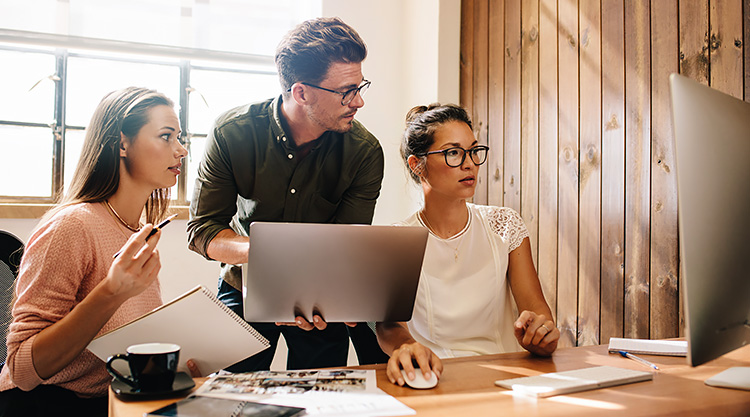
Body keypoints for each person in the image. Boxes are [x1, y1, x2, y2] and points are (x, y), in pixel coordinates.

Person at [186, 17, 387, 372]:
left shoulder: (365, 152)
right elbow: (202, 231)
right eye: (346, 91)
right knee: (230, 394)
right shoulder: (232, 134)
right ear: (301, 92)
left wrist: (302, 288)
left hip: (322, 297)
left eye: (360, 86)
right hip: (243, 282)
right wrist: (268, 258)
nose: (359, 102)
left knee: (322, 397)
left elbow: (346, 245)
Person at [0, 87, 188, 416]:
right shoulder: (71, 226)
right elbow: (23, 370)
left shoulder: (137, 229)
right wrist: (111, 292)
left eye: (180, 137)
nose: (181, 150)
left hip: (114, 401)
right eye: (166, 136)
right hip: (47, 405)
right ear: (122, 143)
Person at [376, 104, 560, 386]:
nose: (469, 163)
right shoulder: (396, 240)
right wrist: (405, 347)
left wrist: (541, 334)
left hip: (505, 378)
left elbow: (537, 310)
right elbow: (389, 326)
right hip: (430, 378)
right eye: (453, 153)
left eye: (473, 151)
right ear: (417, 165)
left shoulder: (505, 225)